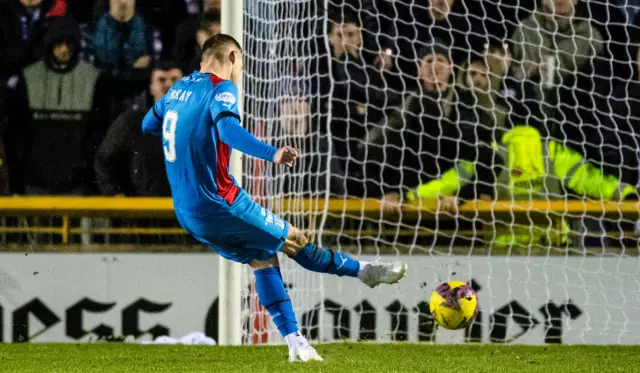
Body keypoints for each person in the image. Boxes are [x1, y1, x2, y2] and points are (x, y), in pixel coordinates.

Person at [141, 34, 407, 362]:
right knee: (295, 239)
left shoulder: (177, 90)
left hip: (187, 211)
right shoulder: (221, 87)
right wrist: (272, 153)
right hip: (221, 202)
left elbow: (147, 124)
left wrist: (188, 142)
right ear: (233, 58)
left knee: (263, 258)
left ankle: (297, 344)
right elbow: (228, 132)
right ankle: (364, 272)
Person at [95, 61, 182, 196]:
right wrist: (114, 195)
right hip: (141, 212)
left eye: (174, 80)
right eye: (162, 80)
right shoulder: (131, 122)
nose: (169, 85)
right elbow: (104, 160)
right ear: (152, 87)